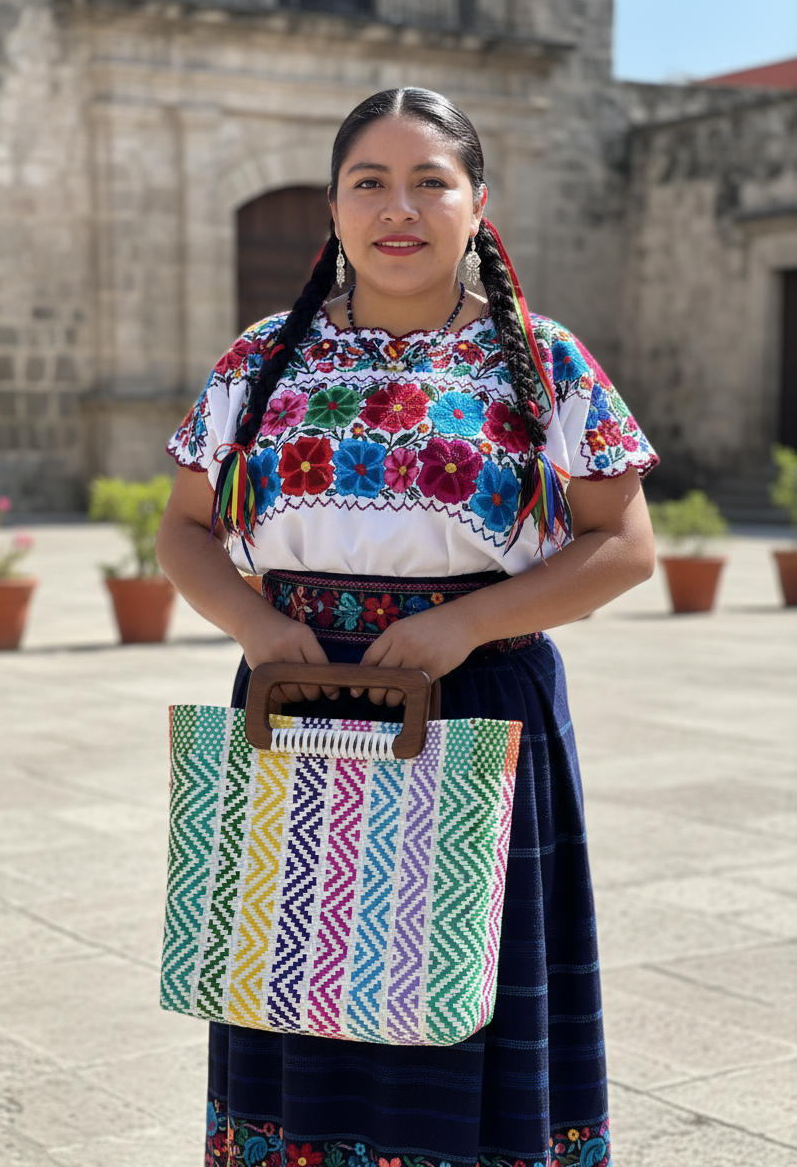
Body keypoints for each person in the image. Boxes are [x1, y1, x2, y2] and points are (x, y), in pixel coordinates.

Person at [157, 87, 657, 1167]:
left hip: (472, 702)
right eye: (369, 182)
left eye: (431, 180)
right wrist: (250, 621)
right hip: (290, 703)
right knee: (295, 976)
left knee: (456, 985)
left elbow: (624, 545)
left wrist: (464, 625)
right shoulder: (258, 362)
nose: (401, 207)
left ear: (479, 202)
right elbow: (185, 532)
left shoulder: (545, 360)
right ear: (334, 210)